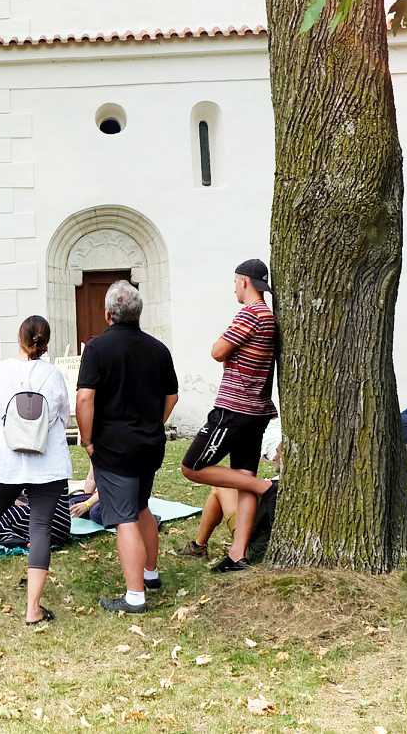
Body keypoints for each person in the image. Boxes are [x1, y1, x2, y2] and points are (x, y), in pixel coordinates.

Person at [77, 281, 178, 613]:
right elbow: (172, 396)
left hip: (114, 448)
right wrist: (154, 424)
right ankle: (150, 573)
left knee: (124, 517)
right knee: (141, 506)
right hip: (149, 445)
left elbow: (85, 398)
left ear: (108, 314)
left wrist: (87, 439)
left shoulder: (96, 348)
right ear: (138, 313)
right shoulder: (159, 349)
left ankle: (135, 595)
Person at [0, 314, 69, 623]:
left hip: (6, 461)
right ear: (46, 342)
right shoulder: (54, 375)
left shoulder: (2, 370)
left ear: (19, 338)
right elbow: (63, 415)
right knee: (40, 528)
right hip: (47, 463)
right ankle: (33, 609)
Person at [181, 258, 282, 573]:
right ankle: (239, 554)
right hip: (257, 410)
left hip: (234, 409)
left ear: (244, 282)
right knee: (244, 478)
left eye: (235, 283)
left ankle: (268, 488)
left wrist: (224, 345)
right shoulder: (270, 317)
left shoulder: (251, 314)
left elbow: (217, 351)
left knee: (192, 467)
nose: (234, 289)